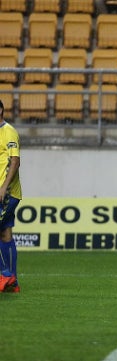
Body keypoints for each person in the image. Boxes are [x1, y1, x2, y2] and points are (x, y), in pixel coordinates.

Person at [0, 100, 22, 293]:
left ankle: (5, 274)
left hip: (6, 193)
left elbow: (15, 161)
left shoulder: (8, 131)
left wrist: (4, 187)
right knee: (5, 234)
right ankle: (12, 281)